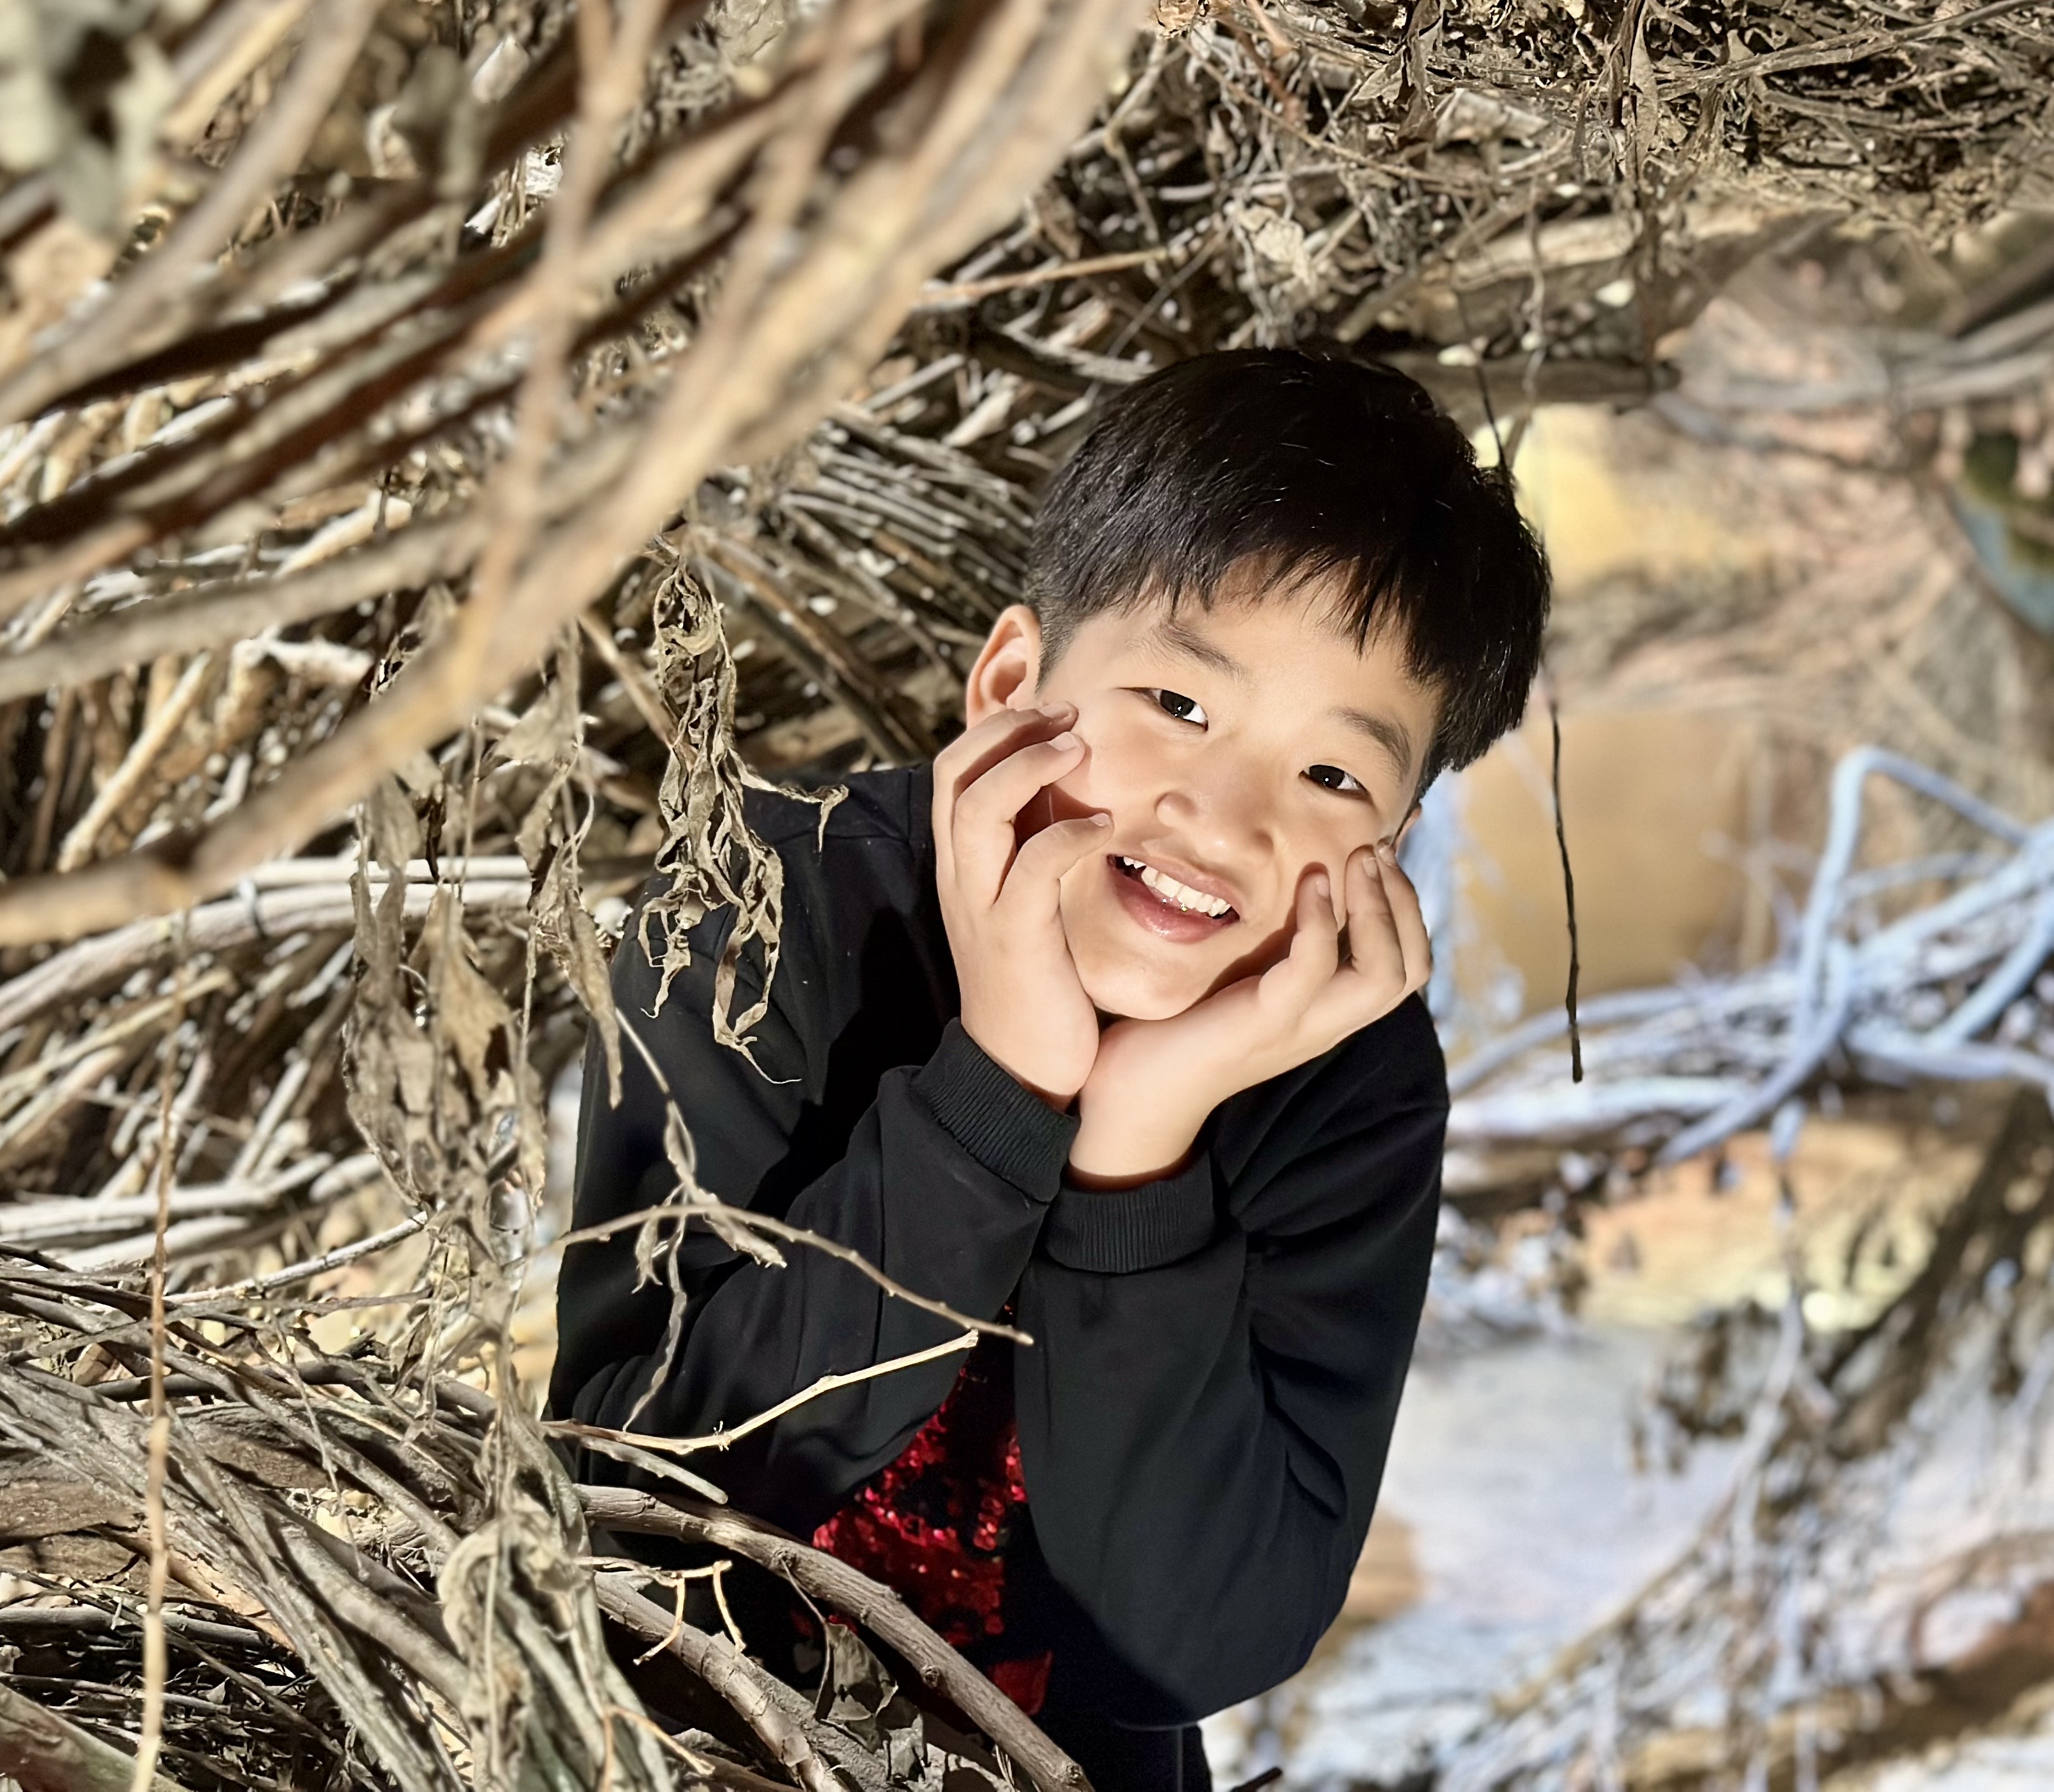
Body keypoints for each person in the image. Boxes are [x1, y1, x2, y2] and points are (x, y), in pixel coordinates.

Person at [550, 348, 1551, 1788]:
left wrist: (1138, 1149)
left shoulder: (1346, 1079)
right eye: (1178, 704)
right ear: (1013, 682)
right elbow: (638, 1474)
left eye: (1334, 776)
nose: (1225, 819)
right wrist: (1001, 1086)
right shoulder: (767, 905)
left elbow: (1193, 1643)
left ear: (1389, 845)